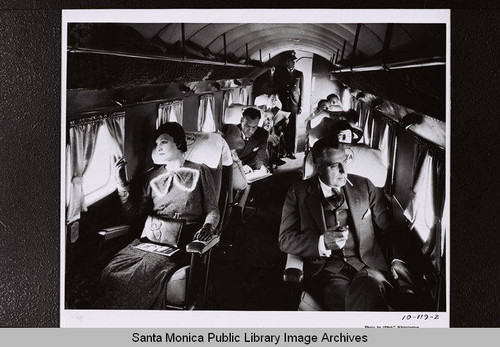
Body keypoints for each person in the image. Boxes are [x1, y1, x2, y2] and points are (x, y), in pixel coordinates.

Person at [279, 138, 412, 311]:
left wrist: (398, 259)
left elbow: (389, 229)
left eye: (345, 161)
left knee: (369, 286)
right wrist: (321, 242)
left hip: (368, 266)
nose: (344, 171)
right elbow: (285, 239)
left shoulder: (365, 186)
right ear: (318, 167)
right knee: (352, 302)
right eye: (335, 165)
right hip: (327, 272)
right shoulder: (298, 192)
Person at [99, 122, 219, 309]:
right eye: (156, 144)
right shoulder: (151, 176)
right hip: (151, 238)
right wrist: (122, 185)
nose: (158, 148)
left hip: (182, 241)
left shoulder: (200, 170)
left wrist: (208, 227)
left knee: (144, 273)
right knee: (113, 270)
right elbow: (135, 216)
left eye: (164, 142)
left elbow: (212, 208)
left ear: (178, 143)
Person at [273, 51, 304, 159]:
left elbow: (302, 91)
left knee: (292, 128)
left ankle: (291, 151)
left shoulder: (299, 74)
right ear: (286, 63)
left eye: (294, 61)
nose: (293, 63)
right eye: (291, 61)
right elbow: (275, 87)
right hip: (281, 104)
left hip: (293, 105)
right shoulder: (279, 73)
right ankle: (282, 151)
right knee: (281, 128)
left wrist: (301, 105)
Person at [221, 107, 270, 174]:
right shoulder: (231, 133)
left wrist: (260, 167)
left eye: (254, 127)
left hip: (250, 166)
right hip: (233, 167)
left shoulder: (262, 134)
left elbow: (260, 158)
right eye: (247, 126)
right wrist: (240, 167)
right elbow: (226, 158)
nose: (250, 131)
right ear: (241, 120)